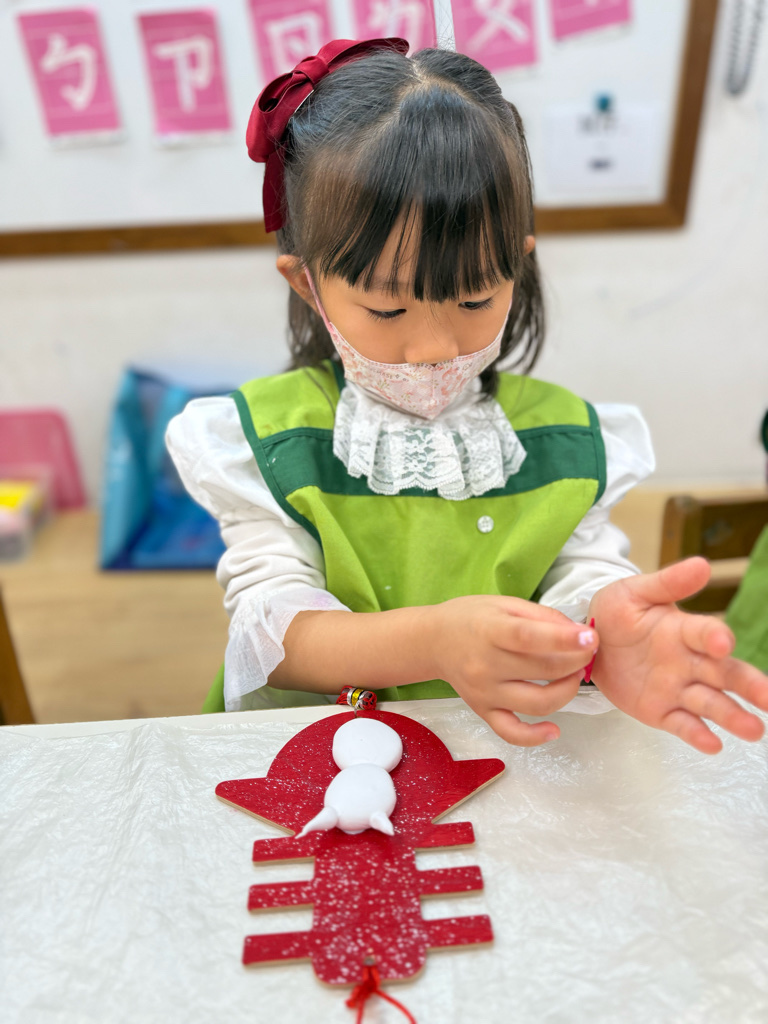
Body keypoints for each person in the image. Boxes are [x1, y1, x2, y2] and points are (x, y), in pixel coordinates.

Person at [167, 38, 768, 753]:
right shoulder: (270, 441)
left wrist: (610, 628)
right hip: (323, 764)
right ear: (307, 284)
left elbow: (583, 573)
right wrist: (435, 641)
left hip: (514, 756)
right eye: (388, 310)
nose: (435, 348)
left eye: (476, 299)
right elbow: (270, 635)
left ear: (517, 264)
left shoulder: (562, 437)